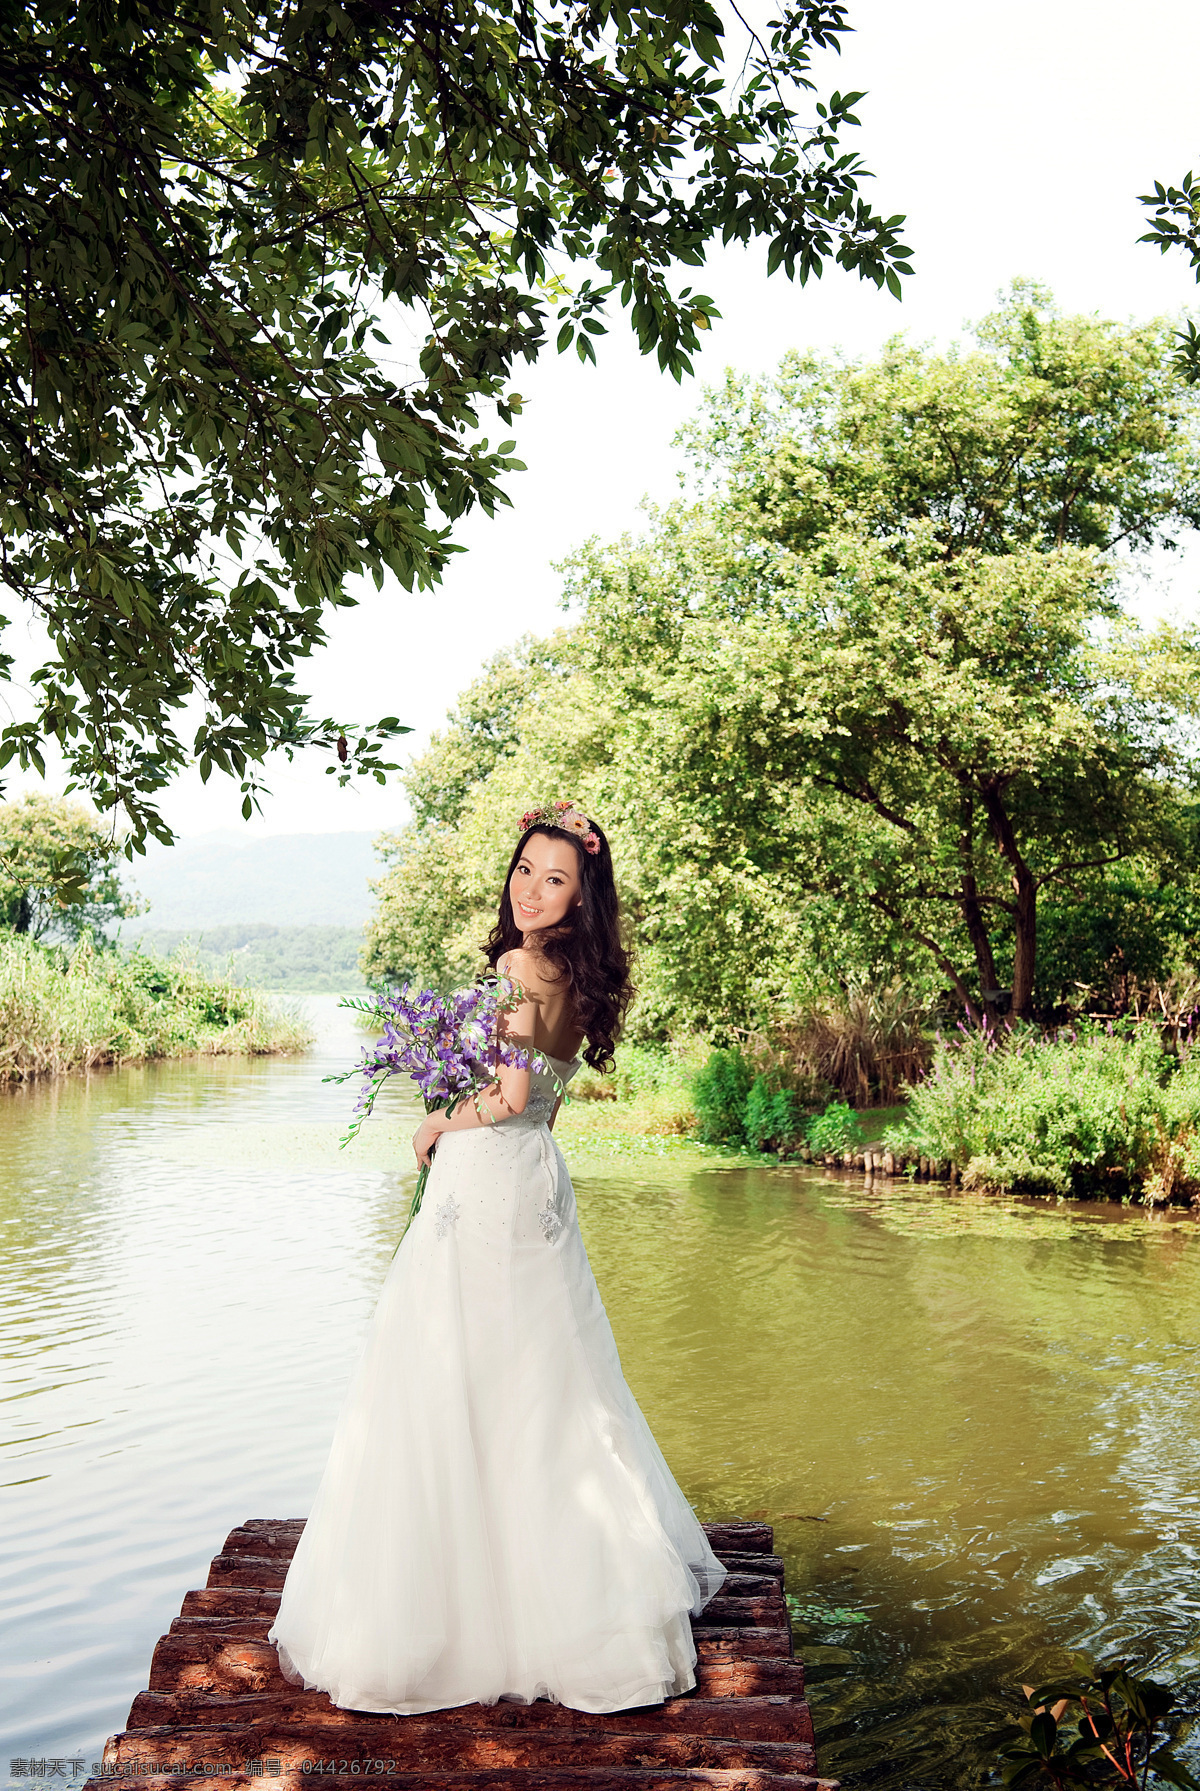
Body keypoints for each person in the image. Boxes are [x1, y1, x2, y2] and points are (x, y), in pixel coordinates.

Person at [268, 801, 726, 1715]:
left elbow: (512, 1094)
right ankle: (582, 1599)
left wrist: (442, 1115)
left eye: (555, 878)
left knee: (450, 1371)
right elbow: (545, 1102)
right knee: (544, 1378)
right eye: (525, 869)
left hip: (487, 1181)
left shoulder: (519, 966)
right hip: (536, 1184)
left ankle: (446, 1611)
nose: (532, 888)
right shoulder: (578, 977)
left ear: (580, 893)